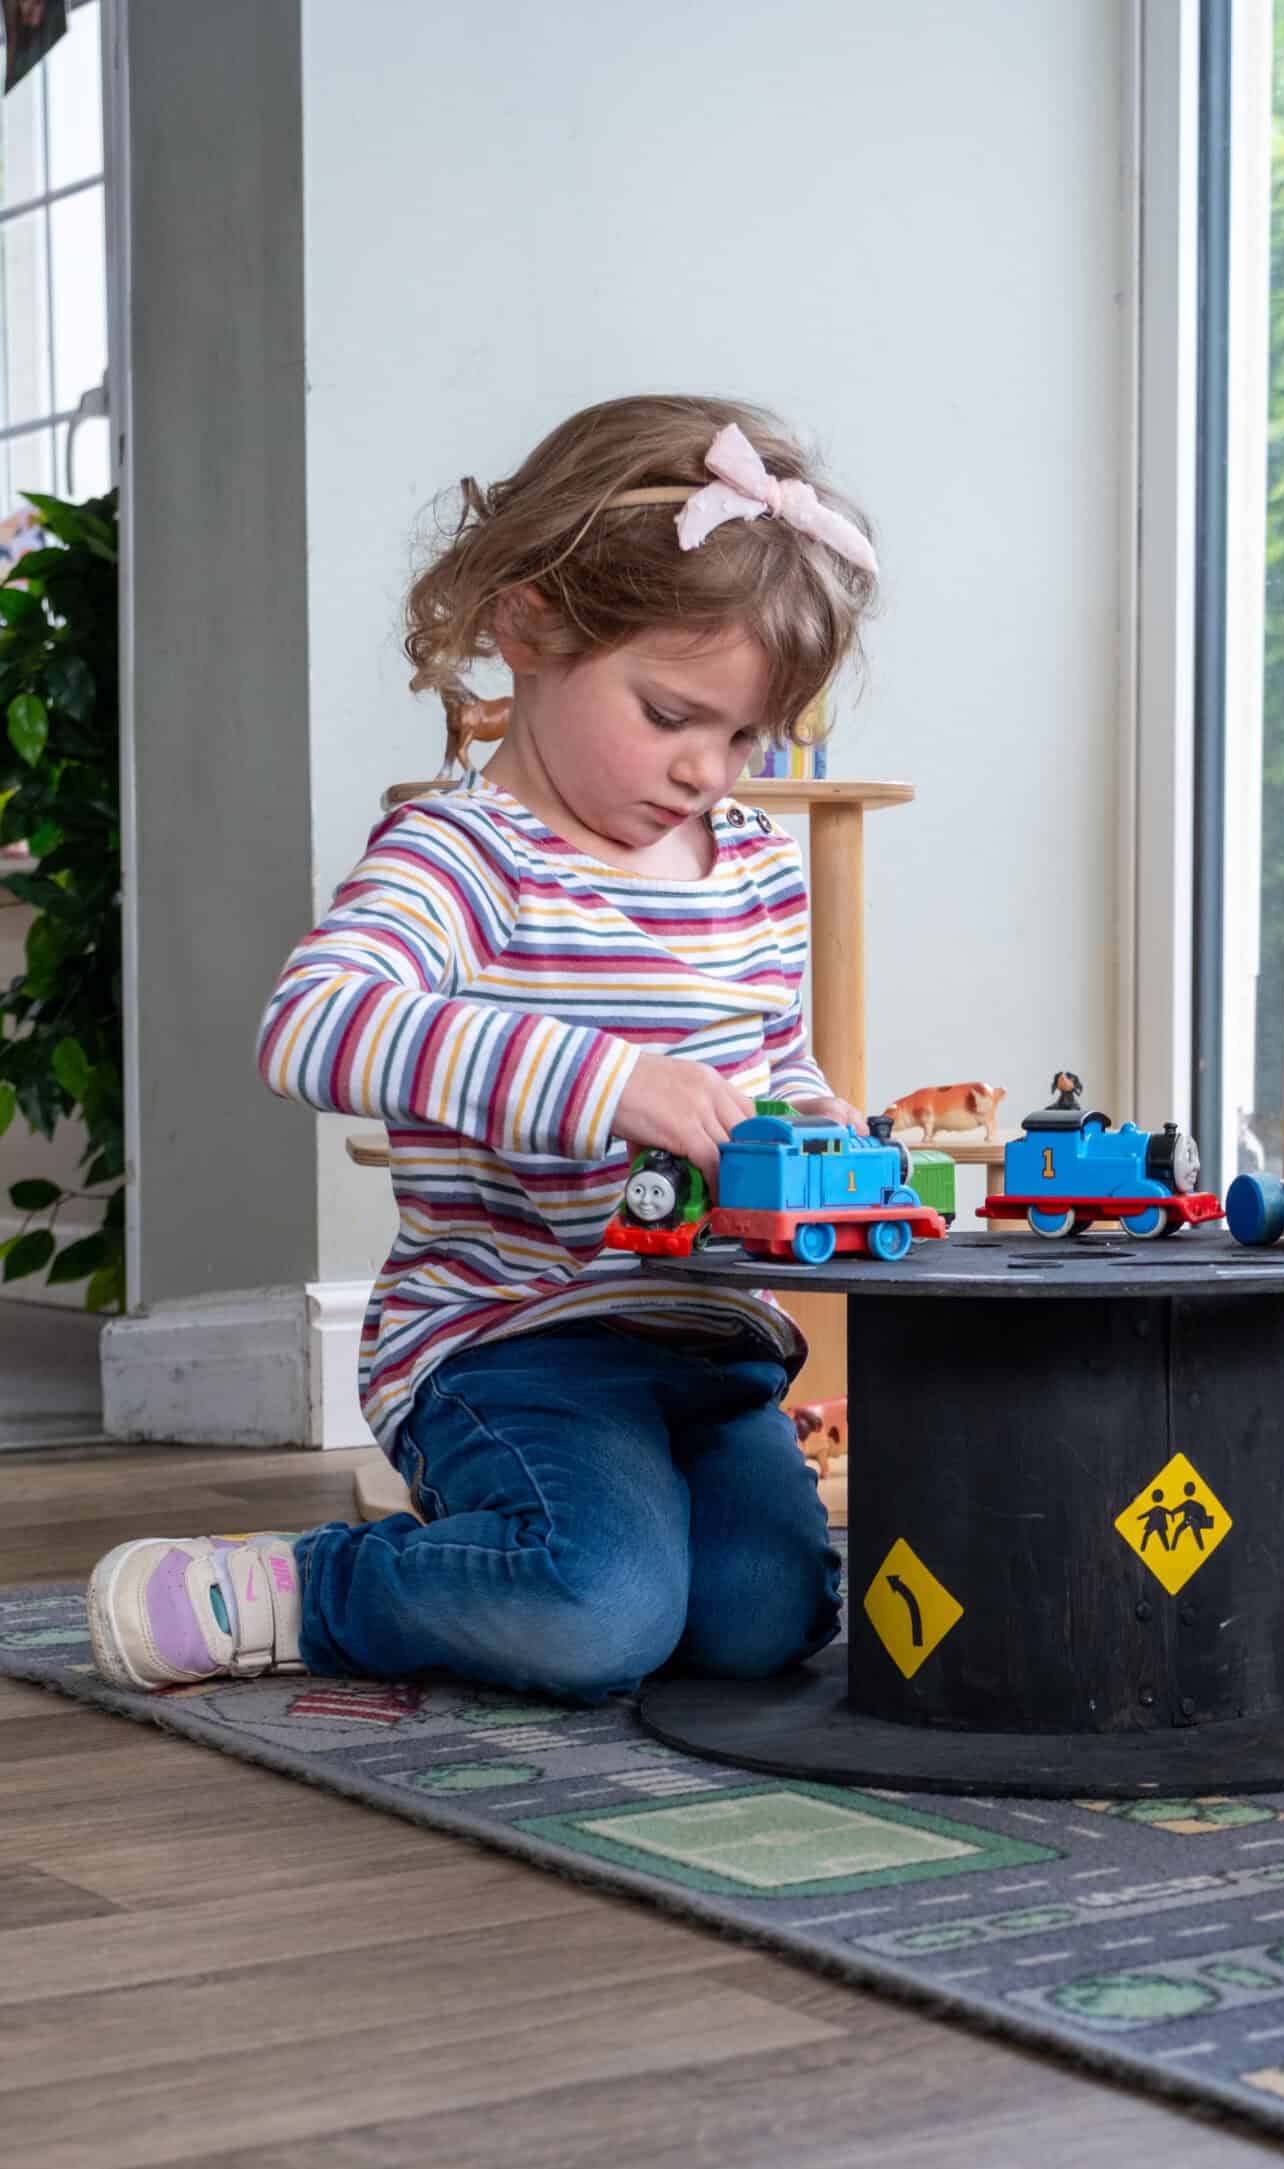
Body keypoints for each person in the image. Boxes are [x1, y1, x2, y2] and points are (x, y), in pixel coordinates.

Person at [86, 394, 880, 1706]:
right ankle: (316, 1587)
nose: (710, 774)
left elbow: (774, 1071)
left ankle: (564, 1559)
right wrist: (610, 1080)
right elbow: (316, 1021)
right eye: (672, 714)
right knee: (598, 1615)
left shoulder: (754, 870)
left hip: (709, 1345)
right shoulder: (468, 856)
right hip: (516, 1342)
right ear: (531, 629)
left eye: (745, 736)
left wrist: (819, 1133)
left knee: (765, 1620)